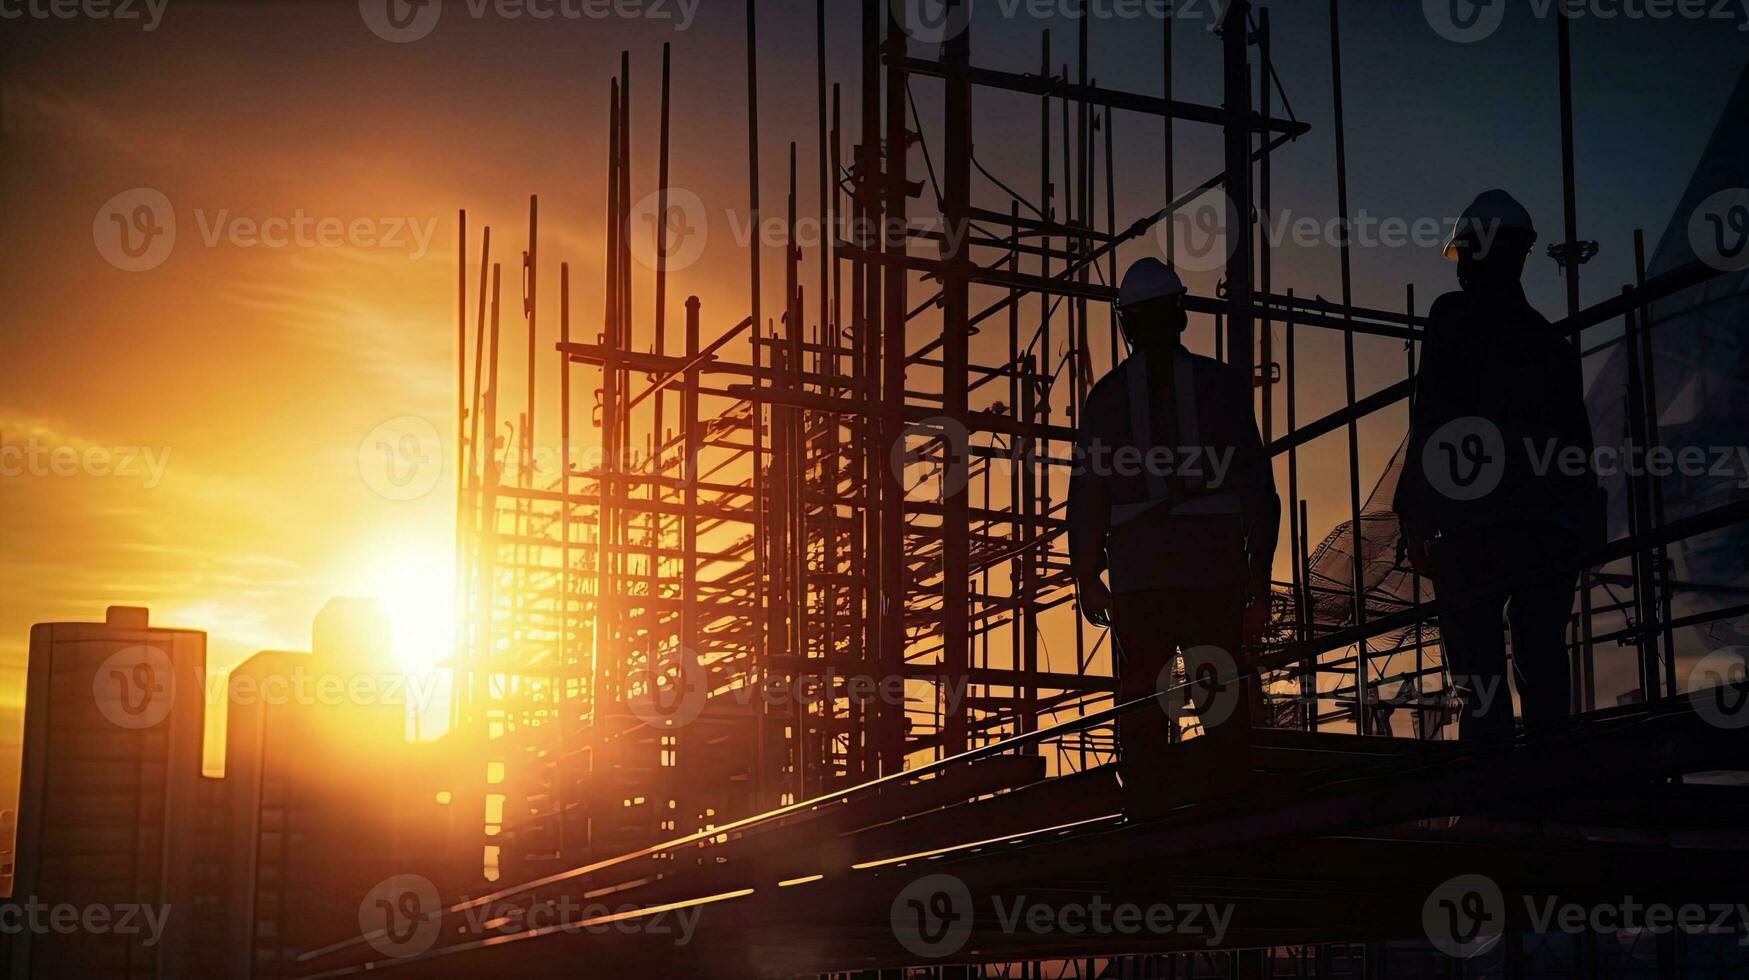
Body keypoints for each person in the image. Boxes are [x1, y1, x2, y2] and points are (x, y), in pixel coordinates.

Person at [1393, 190, 1601, 740]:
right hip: (1547, 527)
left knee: (1477, 672)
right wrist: (1585, 523)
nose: (1459, 266)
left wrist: (1412, 513)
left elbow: (1433, 419)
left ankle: (1493, 798)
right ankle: (1550, 790)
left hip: (1474, 524)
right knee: (1542, 659)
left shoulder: (1452, 317)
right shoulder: (1552, 344)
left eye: (1464, 254)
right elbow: (1576, 443)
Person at [1069, 258, 1280, 799]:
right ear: (1180, 316)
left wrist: (1088, 573)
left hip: (1143, 582)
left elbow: (1088, 494)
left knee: (1143, 701)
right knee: (1219, 698)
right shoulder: (1222, 387)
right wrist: (1259, 577)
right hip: (1214, 574)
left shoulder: (1107, 398)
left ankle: (1146, 811)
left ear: (1126, 325)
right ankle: (1229, 810)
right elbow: (1258, 489)